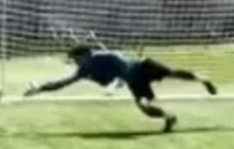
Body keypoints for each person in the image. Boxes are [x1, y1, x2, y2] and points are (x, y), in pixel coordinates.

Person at [24, 45, 217, 132]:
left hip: (143, 67)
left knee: (172, 74)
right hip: (135, 81)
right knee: (145, 107)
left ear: (87, 55)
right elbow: (63, 83)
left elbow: (125, 69)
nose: (75, 62)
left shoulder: (109, 56)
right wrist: (39, 89)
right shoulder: (84, 70)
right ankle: (170, 117)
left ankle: (202, 79)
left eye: (77, 58)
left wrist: (116, 84)